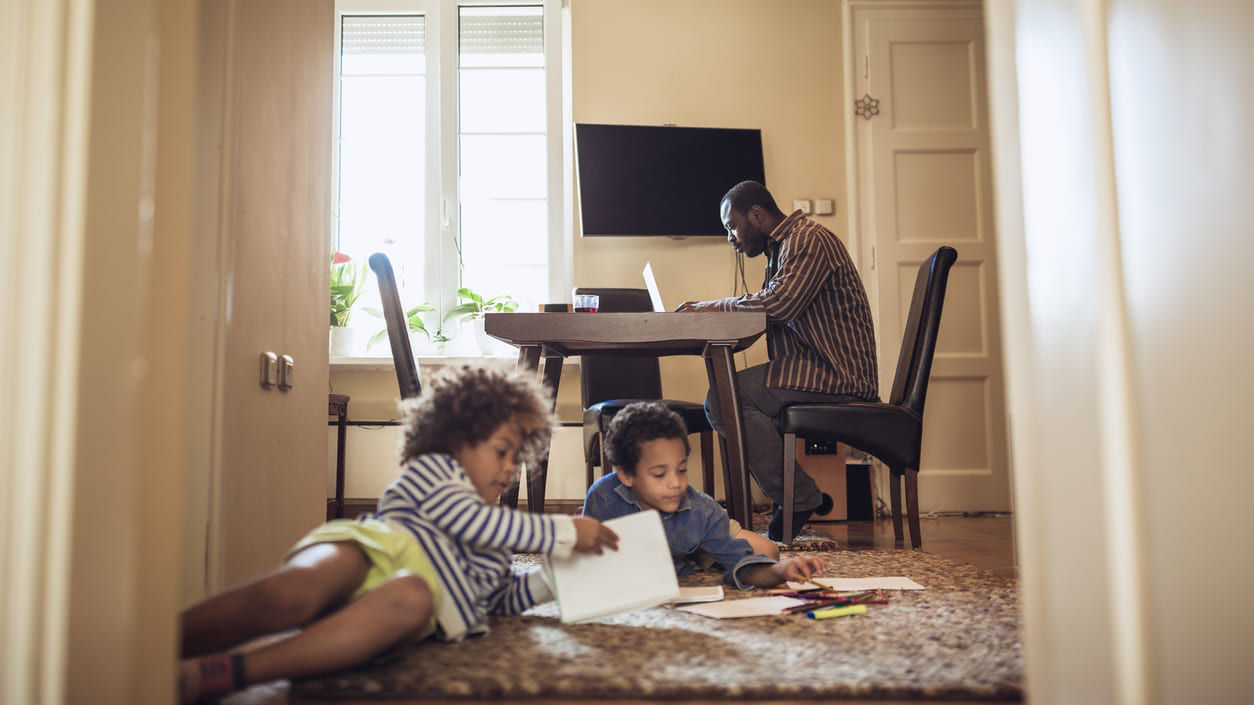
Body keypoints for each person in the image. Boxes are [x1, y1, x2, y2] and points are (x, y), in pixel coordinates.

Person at [177, 363, 619, 704]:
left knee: (412, 596)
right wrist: (563, 530)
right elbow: (464, 518)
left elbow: (499, 601)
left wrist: (553, 580)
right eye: (502, 452)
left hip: (417, 602)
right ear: (454, 439)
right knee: (291, 595)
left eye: (516, 459)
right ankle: (158, 641)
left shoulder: (497, 546)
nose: (509, 469)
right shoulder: (435, 472)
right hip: (371, 551)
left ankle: (225, 673)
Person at [677, 180, 879, 542]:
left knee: (725, 398)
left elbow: (779, 304)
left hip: (837, 373)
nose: (730, 238)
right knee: (725, 397)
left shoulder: (807, 239)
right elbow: (768, 305)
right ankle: (795, 497)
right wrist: (719, 314)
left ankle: (798, 497)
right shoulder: (784, 248)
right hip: (814, 368)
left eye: (731, 226)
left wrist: (710, 307)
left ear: (756, 214)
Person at [582, 402, 824, 589]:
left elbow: (747, 566)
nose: (676, 483)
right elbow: (585, 563)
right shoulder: (603, 498)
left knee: (768, 551)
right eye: (659, 474)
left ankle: (709, 553)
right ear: (626, 476)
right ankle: (705, 556)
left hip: (699, 535)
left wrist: (782, 571)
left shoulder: (698, 508)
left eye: (682, 469)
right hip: (670, 559)